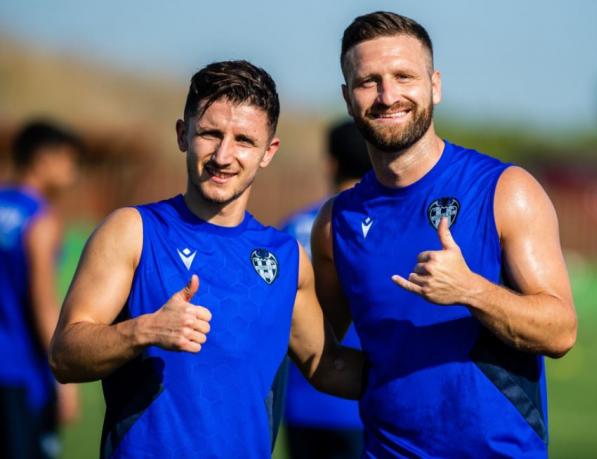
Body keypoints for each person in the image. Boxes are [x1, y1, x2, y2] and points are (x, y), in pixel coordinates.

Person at [49, 60, 366, 459]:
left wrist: (434, 372)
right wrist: (143, 331)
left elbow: (329, 364)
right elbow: (64, 354)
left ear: (269, 151)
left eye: (244, 141)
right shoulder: (133, 231)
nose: (223, 155)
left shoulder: (286, 259)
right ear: (183, 134)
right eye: (210, 133)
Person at [311, 11, 578, 458]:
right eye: (368, 81)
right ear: (347, 97)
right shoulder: (336, 223)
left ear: (435, 85)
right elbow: (324, 356)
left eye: (403, 76)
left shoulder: (504, 191)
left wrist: (471, 290)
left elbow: (561, 332)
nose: (388, 95)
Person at [281, 120, 371, 459]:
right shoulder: (381, 227)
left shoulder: (295, 226)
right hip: (360, 400)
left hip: (304, 399)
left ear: (330, 164)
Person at [0, 120, 81, 459]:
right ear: (44, 159)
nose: (74, 174)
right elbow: (43, 302)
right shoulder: (41, 220)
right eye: (69, 162)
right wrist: (64, 376)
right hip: (19, 373)